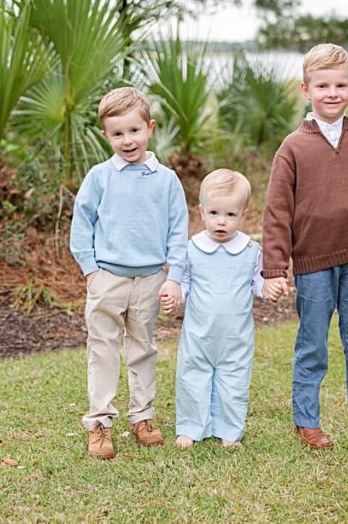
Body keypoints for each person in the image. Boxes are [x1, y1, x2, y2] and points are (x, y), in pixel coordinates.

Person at [261, 43, 348, 452]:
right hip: (312, 262)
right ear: (306, 89)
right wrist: (273, 268)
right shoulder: (293, 148)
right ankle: (308, 420)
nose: (332, 93)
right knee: (313, 343)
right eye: (323, 86)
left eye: (340, 85)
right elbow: (276, 212)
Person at [69, 86, 188, 460]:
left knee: (143, 348)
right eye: (117, 133)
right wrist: (91, 271)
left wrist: (173, 275)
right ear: (106, 135)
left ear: (149, 127)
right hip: (108, 278)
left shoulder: (166, 180)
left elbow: (178, 232)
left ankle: (143, 416)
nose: (127, 140)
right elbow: (81, 225)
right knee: (102, 348)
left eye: (134, 131)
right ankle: (100, 421)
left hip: (151, 278)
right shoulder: (100, 177)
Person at [158, 169, 264, 449]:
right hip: (198, 334)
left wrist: (269, 288)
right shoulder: (191, 249)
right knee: (192, 378)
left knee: (234, 383)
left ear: (243, 215)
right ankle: (192, 427)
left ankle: (230, 431)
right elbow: (183, 281)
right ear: (201, 211)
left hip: (236, 337)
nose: (221, 222)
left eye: (230, 215)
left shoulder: (251, 251)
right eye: (215, 213)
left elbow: (258, 282)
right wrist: (174, 295)